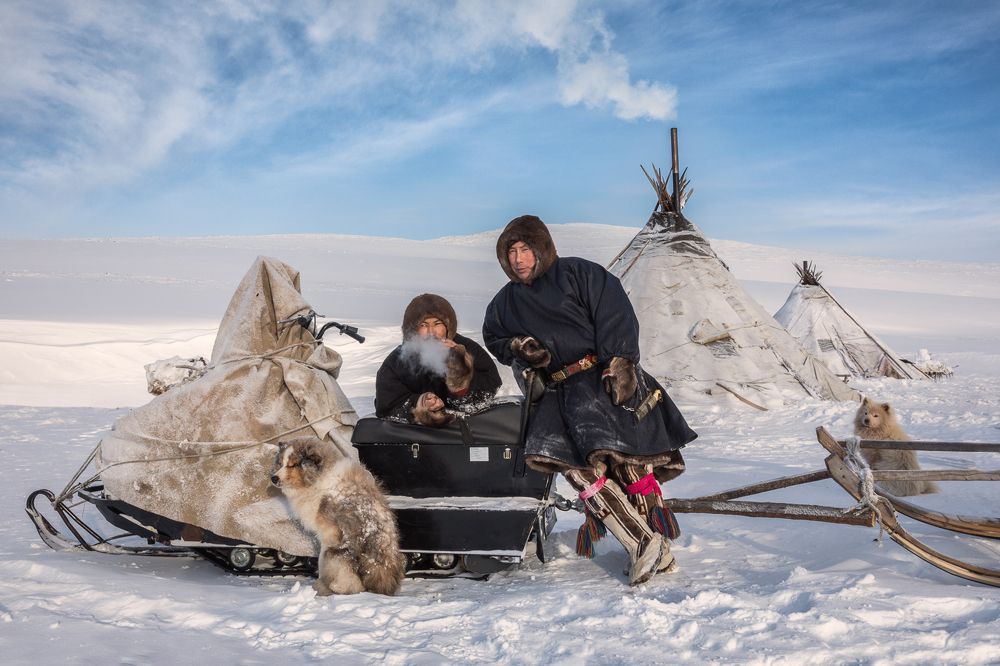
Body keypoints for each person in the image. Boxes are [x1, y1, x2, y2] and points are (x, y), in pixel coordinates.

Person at [483, 215, 697, 586]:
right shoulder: (505, 303)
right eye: (511, 252)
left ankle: (654, 543)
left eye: (525, 249)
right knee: (579, 473)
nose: (518, 259)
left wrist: (620, 363)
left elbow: (615, 312)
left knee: (627, 463)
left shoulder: (579, 274)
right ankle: (644, 543)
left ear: (541, 248)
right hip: (556, 394)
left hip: (600, 377)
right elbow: (495, 337)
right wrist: (519, 347)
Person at [377, 293, 502, 426]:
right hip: (417, 435)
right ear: (412, 330)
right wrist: (421, 405)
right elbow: (386, 404)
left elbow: (490, 389)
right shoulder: (398, 360)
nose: (431, 332)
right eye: (423, 325)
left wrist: (460, 378)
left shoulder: (466, 349)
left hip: (469, 429)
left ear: (448, 327)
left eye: (437, 324)